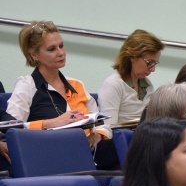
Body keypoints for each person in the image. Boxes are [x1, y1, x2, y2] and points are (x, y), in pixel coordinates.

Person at [7, 20, 117, 169]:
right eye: (52, 49)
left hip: (85, 149)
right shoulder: (27, 85)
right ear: (34, 55)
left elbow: (103, 122)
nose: (61, 53)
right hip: (51, 153)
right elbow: (11, 128)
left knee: (122, 148)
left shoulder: (76, 85)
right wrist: (51, 123)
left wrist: (97, 135)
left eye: (61, 46)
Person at [98, 29, 164, 126]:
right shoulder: (113, 85)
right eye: (150, 63)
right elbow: (108, 128)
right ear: (133, 57)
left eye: (155, 63)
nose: (153, 69)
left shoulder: (147, 85)